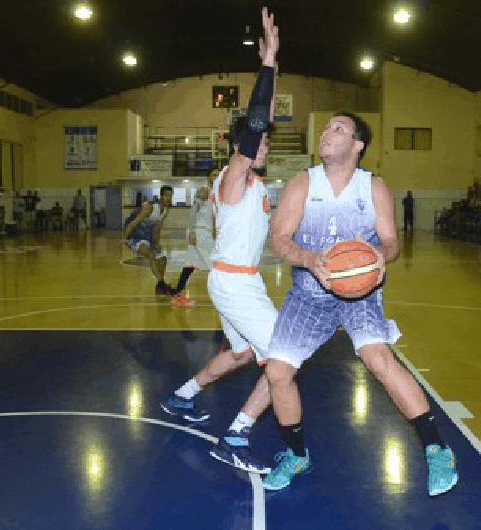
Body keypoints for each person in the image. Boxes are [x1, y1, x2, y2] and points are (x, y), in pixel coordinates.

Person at [260, 110, 458, 496]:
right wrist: (309, 259)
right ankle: (297, 454)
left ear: (357, 145)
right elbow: (279, 240)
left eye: (339, 128)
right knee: (277, 373)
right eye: (327, 127)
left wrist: (383, 255)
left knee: (378, 359)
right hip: (308, 292)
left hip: (359, 293)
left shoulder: (374, 187)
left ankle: (438, 448)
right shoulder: (302, 184)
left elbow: (391, 241)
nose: (327, 133)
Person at [160, 6, 280, 475]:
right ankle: (236, 435)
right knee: (282, 361)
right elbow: (255, 122)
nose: (267, 145)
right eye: (261, 143)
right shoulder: (236, 173)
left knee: (240, 353)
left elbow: (261, 118)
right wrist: (266, 65)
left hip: (233, 281)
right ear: (241, 147)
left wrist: (274, 59)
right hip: (234, 283)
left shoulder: (239, 175)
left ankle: (181, 396)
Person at [170, 169, 218, 308]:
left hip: (206, 233)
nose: (216, 177)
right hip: (200, 233)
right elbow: (193, 213)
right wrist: (191, 231)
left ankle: (178, 294)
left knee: (190, 264)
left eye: (218, 174)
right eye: (213, 174)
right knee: (214, 265)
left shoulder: (218, 193)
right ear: (208, 177)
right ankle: (221, 296)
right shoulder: (203, 191)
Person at [122, 185, 177, 296]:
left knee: (162, 259)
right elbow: (134, 223)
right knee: (151, 256)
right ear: (161, 196)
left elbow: (157, 229)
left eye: (170, 196)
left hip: (147, 236)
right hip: (134, 236)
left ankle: (159, 286)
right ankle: (162, 284)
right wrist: (124, 238)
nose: (168, 198)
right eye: (166, 195)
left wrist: (157, 243)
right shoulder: (150, 207)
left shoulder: (165, 210)